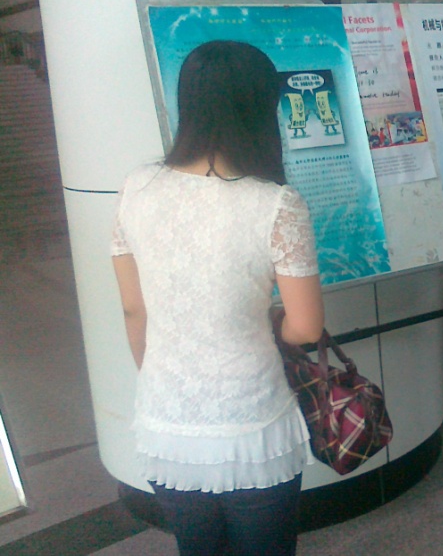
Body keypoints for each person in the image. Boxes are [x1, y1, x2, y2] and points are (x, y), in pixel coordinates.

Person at [111, 40, 325, 556]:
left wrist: (166, 377)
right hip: (252, 424)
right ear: (260, 108)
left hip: (167, 423)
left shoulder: (137, 187)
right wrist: (271, 322)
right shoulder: (276, 203)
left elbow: (134, 309)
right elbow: (306, 328)